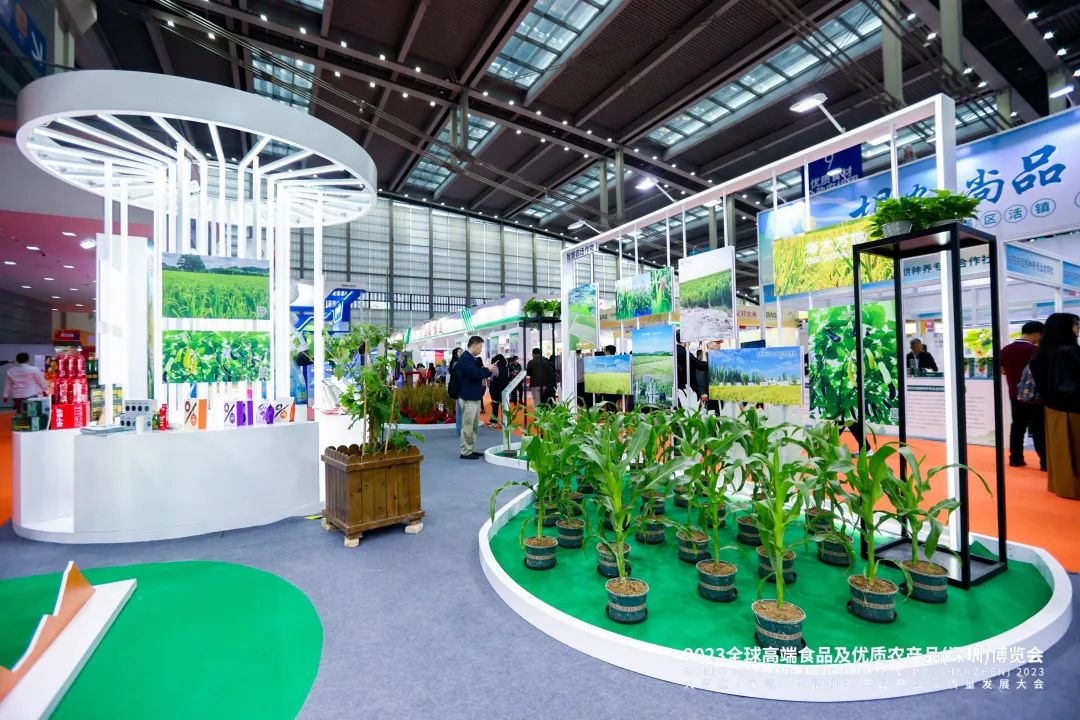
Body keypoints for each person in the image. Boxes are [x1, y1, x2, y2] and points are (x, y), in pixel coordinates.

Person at [1029, 313, 1080, 499]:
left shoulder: (1040, 354)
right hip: (1074, 407)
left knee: (1059, 449)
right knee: (1075, 448)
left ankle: (1061, 485)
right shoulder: (1071, 351)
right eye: (1075, 325)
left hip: (1051, 408)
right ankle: (1073, 487)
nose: (1077, 329)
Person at [1001, 321, 1046, 469]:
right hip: (1034, 396)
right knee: (1038, 428)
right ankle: (1045, 461)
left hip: (1014, 394)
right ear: (1037, 334)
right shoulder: (1035, 350)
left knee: (1017, 426)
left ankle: (1016, 458)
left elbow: (1002, 371)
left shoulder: (1005, 350)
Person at [455, 336, 494, 460]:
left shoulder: (471, 359)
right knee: (468, 426)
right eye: (480, 347)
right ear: (474, 345)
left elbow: (478, 373)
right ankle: (466, 451)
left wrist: (487, 370)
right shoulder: (465, 359)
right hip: (468, 397)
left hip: (474, 397)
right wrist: (487, 369)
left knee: (474, 426)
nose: (481, 350)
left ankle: (470, 449)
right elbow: (475, 374)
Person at [487, 354, 509, 427]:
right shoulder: (507, 368)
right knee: (504, 405)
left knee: (495, 405)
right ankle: (504, 421)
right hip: (505, 388)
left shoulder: (496, 368)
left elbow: (491, 378)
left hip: (495, 389)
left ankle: (494, 421)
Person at [448, 348, 463, 436]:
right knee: (461, 411)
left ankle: (459, 430)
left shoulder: (454, 363)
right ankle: (459, 430)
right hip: (460, 390)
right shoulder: (457, 363)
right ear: (455, 354)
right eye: (460, 352)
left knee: (460, 411)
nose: (462, 353)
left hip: (458, 390)